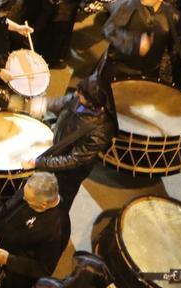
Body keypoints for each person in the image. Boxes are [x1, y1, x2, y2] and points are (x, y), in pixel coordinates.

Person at [27, 76, 115, 211]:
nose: (76, 94)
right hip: (59, 147)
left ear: (92, 102)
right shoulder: (82, 99)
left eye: (80, 94)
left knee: (60, 197)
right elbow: (65, 101)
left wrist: (39, 163)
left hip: (71, 172)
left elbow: (73, 160)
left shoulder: (100, 131)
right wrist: (43, 104)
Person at [0, 172, 69, 288]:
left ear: (43, 205)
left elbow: (44, 268)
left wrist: (8, 260)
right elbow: (10, 204)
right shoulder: (29, 189)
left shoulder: (55, 230)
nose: (22, 198)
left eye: (28, 200)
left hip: (13, 273)